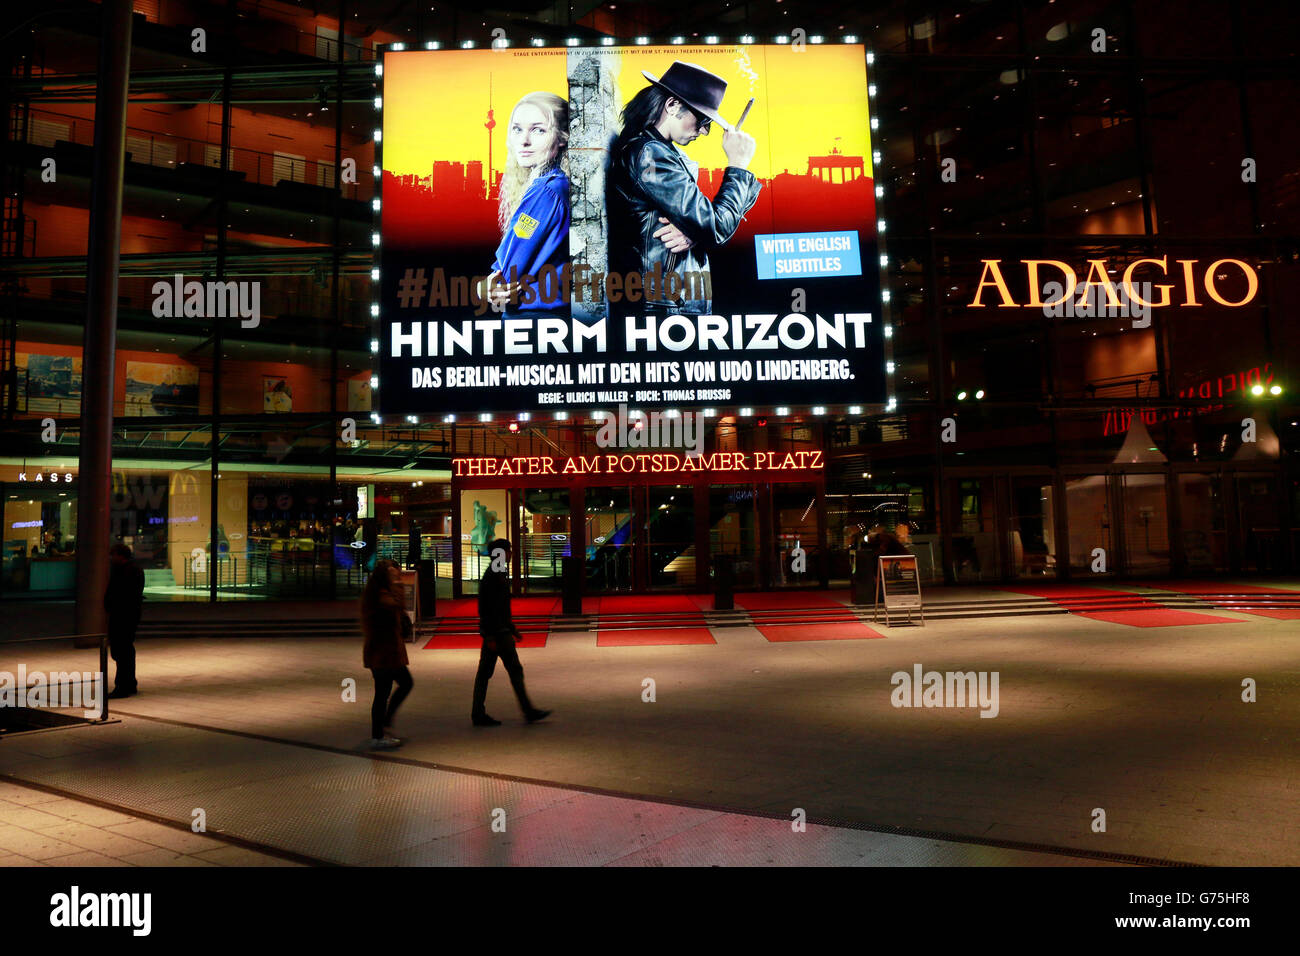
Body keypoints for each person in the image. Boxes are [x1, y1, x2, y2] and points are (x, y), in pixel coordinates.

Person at [607, 60, 761, 316]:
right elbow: (715, 226)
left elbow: (705, 223)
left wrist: (696, 230)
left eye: (709, 125)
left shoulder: (659, 151)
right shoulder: (651, 154)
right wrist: (738, 165)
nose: (703, 131)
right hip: (664, 309)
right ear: (672, 105)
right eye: (701, 120)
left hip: (670, 304)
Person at [483, 92, 571, 317]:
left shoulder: (546, 191)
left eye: (538, 130)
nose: (524, 140)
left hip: (532, 320)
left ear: (562, 137)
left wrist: (485, 287)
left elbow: (506, 275)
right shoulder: (558, 186)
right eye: (517, 129)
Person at [473, 538, 549, 726]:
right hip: (498, 633)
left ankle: (479, 713)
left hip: (499, 631)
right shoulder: (494, 575)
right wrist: (492, 634)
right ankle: (527, 710)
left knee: (487, 673)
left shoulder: (496, 573)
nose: (511, 553)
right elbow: (488, 608)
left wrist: (510, 628)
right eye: (508, 550)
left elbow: (496, 607)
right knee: (510, 670)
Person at [360, 558, 414, 749]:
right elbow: (397, 605)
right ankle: (379, 732)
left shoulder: (377, 592)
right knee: (388, 691)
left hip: (385, 652)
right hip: (383, 653)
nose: (398, 576)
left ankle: (381, 729)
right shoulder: (381, 594)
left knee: (387, 691)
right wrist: (398, 583)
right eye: (395, 573)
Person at [104, 543, 145, 698]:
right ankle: (128, 683)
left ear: (120, 555)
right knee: (125, 650)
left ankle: (123, 685)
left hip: (123, 616)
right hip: (126, 615)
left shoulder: (127, 571)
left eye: (113, 554)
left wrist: (111, 605)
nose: (111, 558)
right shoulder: (130, 570)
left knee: (122, 650)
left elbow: (123, 594)